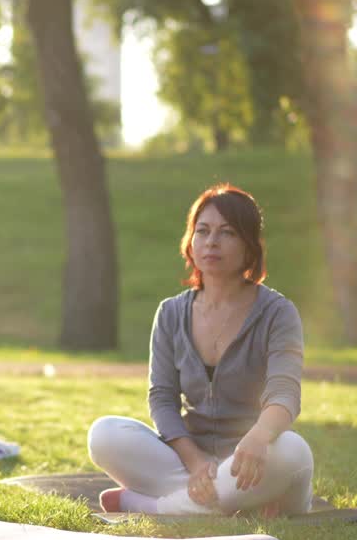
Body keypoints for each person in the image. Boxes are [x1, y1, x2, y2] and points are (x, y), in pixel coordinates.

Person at [87, 184, 314, 516]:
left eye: (228, 233)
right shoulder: (170, 313)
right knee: (104, 434)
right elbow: (162, 399)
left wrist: (259, 438)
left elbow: (285, 392)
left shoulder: (278, 313)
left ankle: (148, 505)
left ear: (250, 246)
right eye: (203, 231)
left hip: (255, 458)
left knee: (294, 451)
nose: (212, 241)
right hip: (190, 460)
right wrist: (195, 463)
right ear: (190, 243)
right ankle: (231, 502)